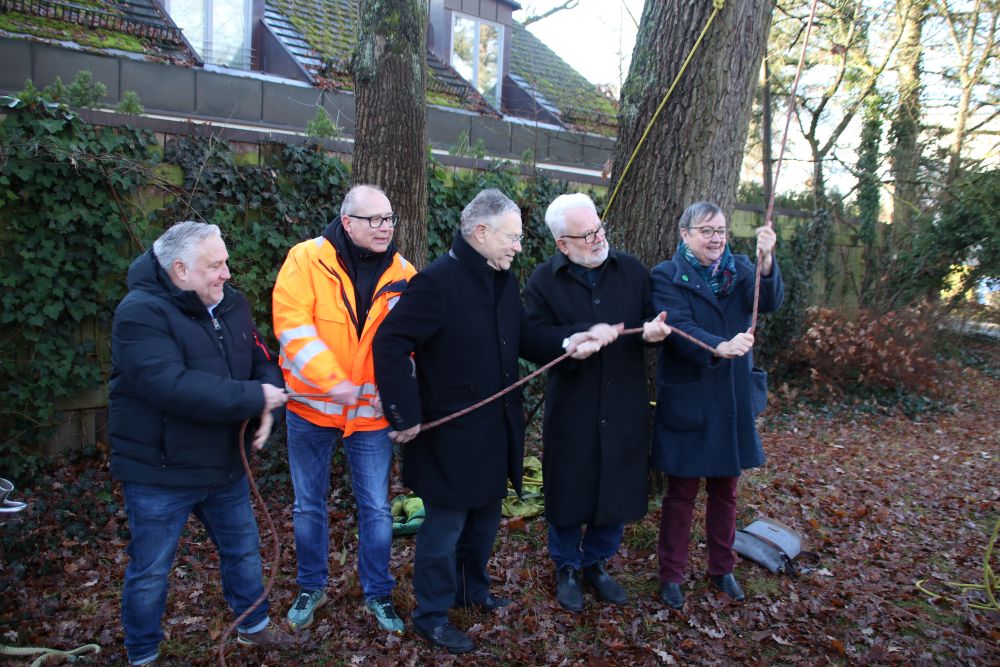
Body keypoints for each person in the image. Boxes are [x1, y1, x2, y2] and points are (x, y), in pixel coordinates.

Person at [372, 189, 596, 653]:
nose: (518, 246)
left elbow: (525, 336)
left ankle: (473, 590)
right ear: (480, 232)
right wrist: (404, 413)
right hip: (450, 436)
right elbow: (390, 342)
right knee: (444, 531)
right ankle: (430, 615)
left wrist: (570, 341)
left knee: (485, 522)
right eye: (511, 238)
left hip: (498, 433)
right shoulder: (435, 282)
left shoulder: (501, 279)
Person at [109, 221, 294, 667]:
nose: (226, 273)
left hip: (222, 462)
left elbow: (259, 357)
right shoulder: (139, 313)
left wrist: (267, 402)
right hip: (160, 470)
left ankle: (253, 626)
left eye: (225, 261)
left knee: (243, 549)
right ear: (180, 270)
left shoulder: (230, 303)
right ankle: (143, 653)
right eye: (215, 265)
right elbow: (170, 385)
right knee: (151, 570)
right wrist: (254, 398)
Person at [272, 184, 416, 633]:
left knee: (375, 507)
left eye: (389, 219)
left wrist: (404, 408)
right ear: (347, 222)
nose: (385, 227)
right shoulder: (305, 259)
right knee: (308, 506)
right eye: (374, 219)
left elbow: (410, 349)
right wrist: (335, 384)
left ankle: (378, 592)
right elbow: (293, 329)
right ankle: (310, 586)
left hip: (371, 416)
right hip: (311, 411)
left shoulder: (405, 273)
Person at [522, 193, 671, 612]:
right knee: (569, 486)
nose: (597, 238)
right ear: (562, 245)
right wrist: (570, 341)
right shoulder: (543, 280)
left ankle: (596, 563)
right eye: (585, 235)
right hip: (574, 404)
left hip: (624, 402)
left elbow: (651, 318)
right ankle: (567, 565)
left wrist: (653, 332)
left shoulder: (633, 271)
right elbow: (531, 336)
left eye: (599, 228)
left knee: (617, 486)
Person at [650, 201, 783, 609]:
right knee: (682, 492)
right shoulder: (667, 275)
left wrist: (766, 261)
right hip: (692, 397)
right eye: (706, 230)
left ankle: (721, 568)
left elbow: (770, 300)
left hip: (731, 399)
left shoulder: (741, 268)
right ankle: (671, 575)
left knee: (726, 490)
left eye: (721, 230)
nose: (716, 238)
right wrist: (718, 346)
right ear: (685, 234)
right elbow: (677, 327)